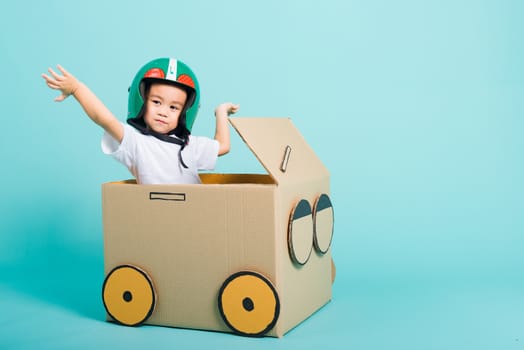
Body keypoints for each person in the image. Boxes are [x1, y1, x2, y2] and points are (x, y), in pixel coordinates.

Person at [42, 57, 239, 184]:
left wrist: (220, 113)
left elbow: (223, 146)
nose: (163, 112)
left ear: (184, 112)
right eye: (156, 102)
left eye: (173, 107)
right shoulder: (134, 142)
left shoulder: (189, 145)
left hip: (194, 222)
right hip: (153, 222)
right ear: (142, 102)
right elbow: (102, 118)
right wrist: (77, 89)